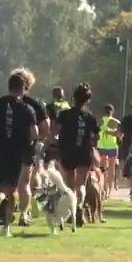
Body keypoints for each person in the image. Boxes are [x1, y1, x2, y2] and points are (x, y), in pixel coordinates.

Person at [0, 73, 38, 237]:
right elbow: (35, 133)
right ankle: (6, 228)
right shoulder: (27, 109)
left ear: (9, 86)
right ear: (23, 89)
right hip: (17, 153)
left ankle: (1, 201)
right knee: (12, 189)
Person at [54, 83, 100, 227]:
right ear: (87, 100)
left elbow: (56, 131)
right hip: (84, 152)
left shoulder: (65, 115)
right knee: (81, 183)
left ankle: (72, 212)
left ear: (73, 98)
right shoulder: (90, 117)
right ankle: (79, 206)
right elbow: (96, 136)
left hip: (68, 151)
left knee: (69, 183)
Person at [9, 68, 49, 227]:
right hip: (28, 146)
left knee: (10, 182)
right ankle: (24, 214)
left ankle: (9, 210)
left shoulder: (4, 102)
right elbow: (45, 127)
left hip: (7, 146)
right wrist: (38, 139)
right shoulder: (36, 104)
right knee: (26, 181)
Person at [97, 104, 120, 198]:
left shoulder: (100, 121)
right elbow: (119, 134)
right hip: (112, 147)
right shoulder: (115, 121)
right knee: (111, 169)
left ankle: (103, 188)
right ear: (112, 112)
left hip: (102, 146)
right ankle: (108, 190)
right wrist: (111, 133)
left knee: (102, 169)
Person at [45, 86, 70, 167]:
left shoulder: (51, 106)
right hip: (66, 137)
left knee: (47, 160)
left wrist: (51, 138)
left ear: (53, 95)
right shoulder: (67, 106)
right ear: (62, 95)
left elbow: (52, 122)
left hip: (54, 135)